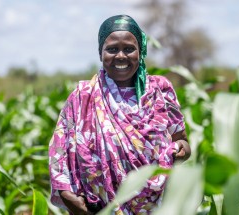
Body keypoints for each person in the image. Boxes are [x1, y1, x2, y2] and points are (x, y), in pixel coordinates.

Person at [48, 14, 191, 215]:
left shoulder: (160, 91)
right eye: (112, 49)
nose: (121, 56)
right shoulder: (82, 96)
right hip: (97, 209)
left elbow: (182, 142)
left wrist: (179, 151)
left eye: (129, 49)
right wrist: (67, 195)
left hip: (157, 206)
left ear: (140, 52)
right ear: (100, 53)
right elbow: (59, 153)